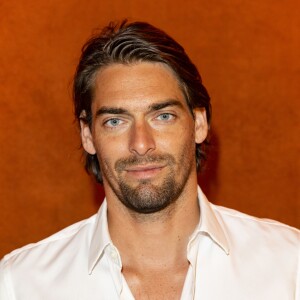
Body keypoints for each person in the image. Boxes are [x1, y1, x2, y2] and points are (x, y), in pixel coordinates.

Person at [0, 20, 299, 300]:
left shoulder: (289, 267)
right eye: (116, 121)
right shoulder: (21, 284)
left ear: (198, 124)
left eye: (163, 116)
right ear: (88, 135)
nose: (141, 144)